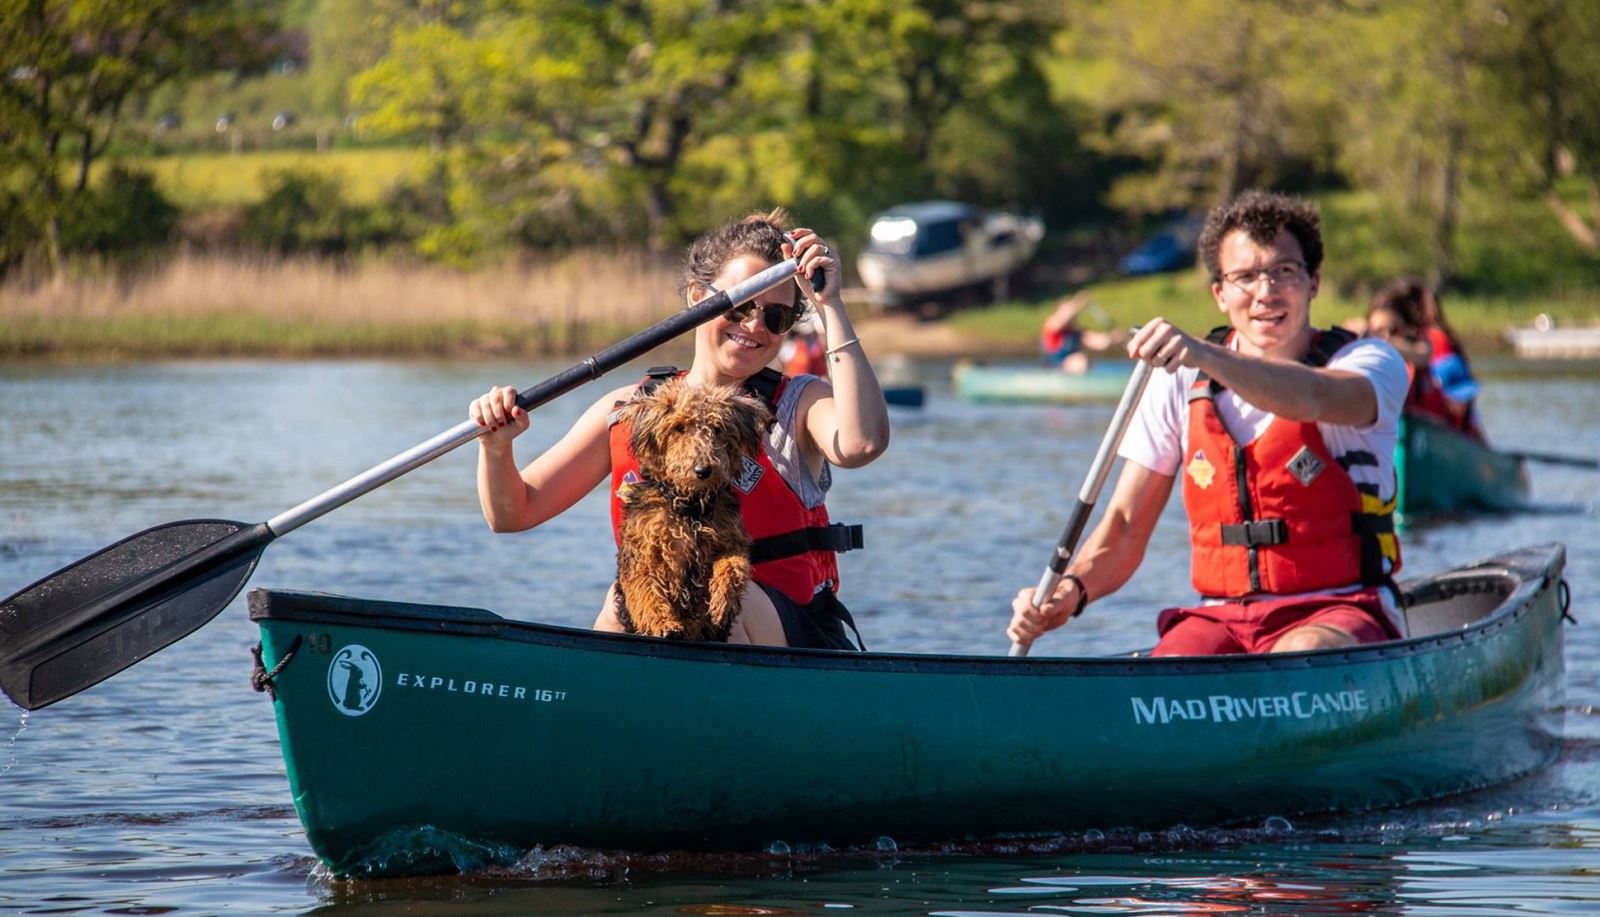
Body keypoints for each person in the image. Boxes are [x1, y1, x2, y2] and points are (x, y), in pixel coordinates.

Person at [1009, 190, 1410, 656]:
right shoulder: (1177, 383)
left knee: (1295, 656)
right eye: (1244, 277)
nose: (1265, 292)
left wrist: (1203, 353)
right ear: (1220, 294)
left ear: (1313, 282)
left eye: (1284, 271)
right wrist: (1069, 593)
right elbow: (1124, 527)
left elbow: (1311, 396)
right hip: (1222, 615)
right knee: (1174, 665)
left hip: (1340, 610)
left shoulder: (1369, 362)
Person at [470, 210, 891, 648]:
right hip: (671, 620)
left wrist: (830, 305)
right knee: (619, 603)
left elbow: (862, 444)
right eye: (742, 305)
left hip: (787, 636)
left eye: (776, 318)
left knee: (730, 594)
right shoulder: (629, 409)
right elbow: (512, 513)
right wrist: (496, 447)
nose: (753, 326)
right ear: (698, 296)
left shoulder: (798, 402)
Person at [1366, 280, 1484, 440]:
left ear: (1409, 330)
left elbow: (1423, 354)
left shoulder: (1424, 350)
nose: (1385, 338)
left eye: (1393, 330)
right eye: (1377, 332)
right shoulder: (1365, 357)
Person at [1041, 293, 1126, 374]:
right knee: (1079, 361)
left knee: (1082, 360)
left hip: (1071, 368)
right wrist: (1080, 301)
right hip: (1052, 367)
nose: (1073, 317)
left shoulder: (1077, 333)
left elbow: (1099, 343)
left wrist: (1113, 338)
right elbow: (1066, 315)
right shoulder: (1052, 325)